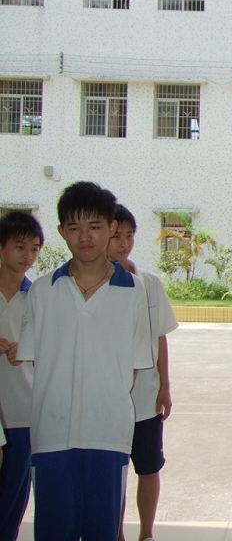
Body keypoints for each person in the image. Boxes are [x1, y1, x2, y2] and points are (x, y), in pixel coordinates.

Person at [17, 181, 153, 540]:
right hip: (51, 437)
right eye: (74, 228)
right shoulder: (43, 291)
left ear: (110, 229)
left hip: (108, 435)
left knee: (102, 532)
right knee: (53, 531)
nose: (85, 237)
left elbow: (137, 364)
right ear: (62, 232)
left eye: (94, 226)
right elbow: (31, 360)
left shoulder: (133, 291)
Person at [107, 205, 179, 541]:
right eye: (116, 236)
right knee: (114, 474)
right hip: (110, 402)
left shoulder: (150, 284)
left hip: (146, 400)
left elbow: (160, 338)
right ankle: (116, 533)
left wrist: (165, 387)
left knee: (148, 469)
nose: (123, 243)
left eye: (129, 236)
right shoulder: (96, 288)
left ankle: (146, 534)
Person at [0, 211, 42, 541]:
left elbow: (50, 353)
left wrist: (27, 351)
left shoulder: (38, 298)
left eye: (35, 249)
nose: (27, 256)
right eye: (20, 247)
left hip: (22, 412)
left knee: (13, 496)